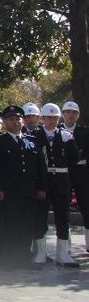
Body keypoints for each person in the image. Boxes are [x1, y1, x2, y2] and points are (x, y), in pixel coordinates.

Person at [0, 106, 46, 269]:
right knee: (9, 225)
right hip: (8, 192)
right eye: (11, 119)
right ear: (5, 122)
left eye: (18, 118)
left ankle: (24, 258)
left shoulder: (32, 141)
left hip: (28, 191)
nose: (15, 121)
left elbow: (40, 166)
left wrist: (42, 187)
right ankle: (8, 258)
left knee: (26, 225)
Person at [32, 103, 79, 267]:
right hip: (43, 181)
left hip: (61, 179)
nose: (51, 121)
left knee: (63, 216)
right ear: (43, 118)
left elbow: (74, 158)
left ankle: (63, 254)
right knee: (40, 216)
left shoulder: (66, 136)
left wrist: (65, 172)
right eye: (48, 118)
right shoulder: (35, 135)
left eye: (54, 118)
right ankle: (40, 252)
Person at [61, 101, 89, 252]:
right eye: (68, 112)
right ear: (63, 114)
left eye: (74, 113)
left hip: (82, 173)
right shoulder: (57, 130)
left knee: (86, 206)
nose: (71, 115)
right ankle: (66, 245)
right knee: (63, 208)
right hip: (64, 173)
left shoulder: (85, 132)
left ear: (78, 115)